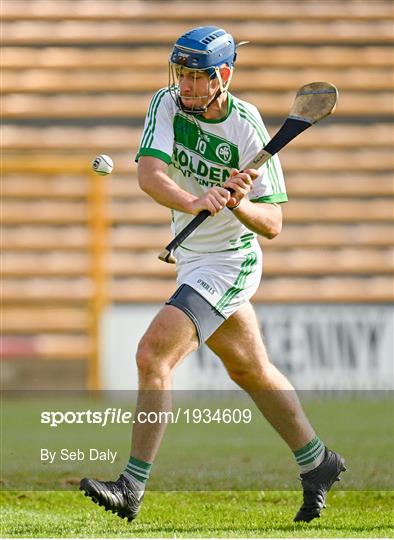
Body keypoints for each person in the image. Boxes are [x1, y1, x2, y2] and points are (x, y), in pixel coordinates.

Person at [80, 26, 346, 524]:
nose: (187, 85)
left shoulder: (247, 127)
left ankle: (131, 486)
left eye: (198, 77)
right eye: (181, 73)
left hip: (229, 261)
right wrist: (194, 200)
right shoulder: (166, 104)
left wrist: (241, 205)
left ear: (223, 76)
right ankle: (319, 462)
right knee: (249, 369)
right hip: (193, 256)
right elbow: (149, 175)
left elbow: (274, 224)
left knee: (151, 353)